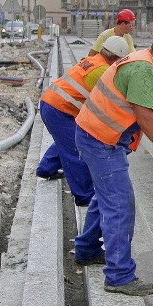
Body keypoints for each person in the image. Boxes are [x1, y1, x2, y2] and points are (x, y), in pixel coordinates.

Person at [74, 18, 153, 297]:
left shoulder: (142, 60)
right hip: (100, 141)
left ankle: (86, 250)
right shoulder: (143, 69)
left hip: (92, 134)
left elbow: (143, 111)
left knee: (104, 197)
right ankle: (119, 276)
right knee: (120, 205)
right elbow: (146, 115)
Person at [35, 36, 131, 198]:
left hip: (52, 104)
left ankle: (46, 168)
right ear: (116, 58)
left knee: (67, 141)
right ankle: (84, 195)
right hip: (60, 109)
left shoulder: (94, 60)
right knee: (75, 151)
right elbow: (113, 99)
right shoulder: (102, 71)